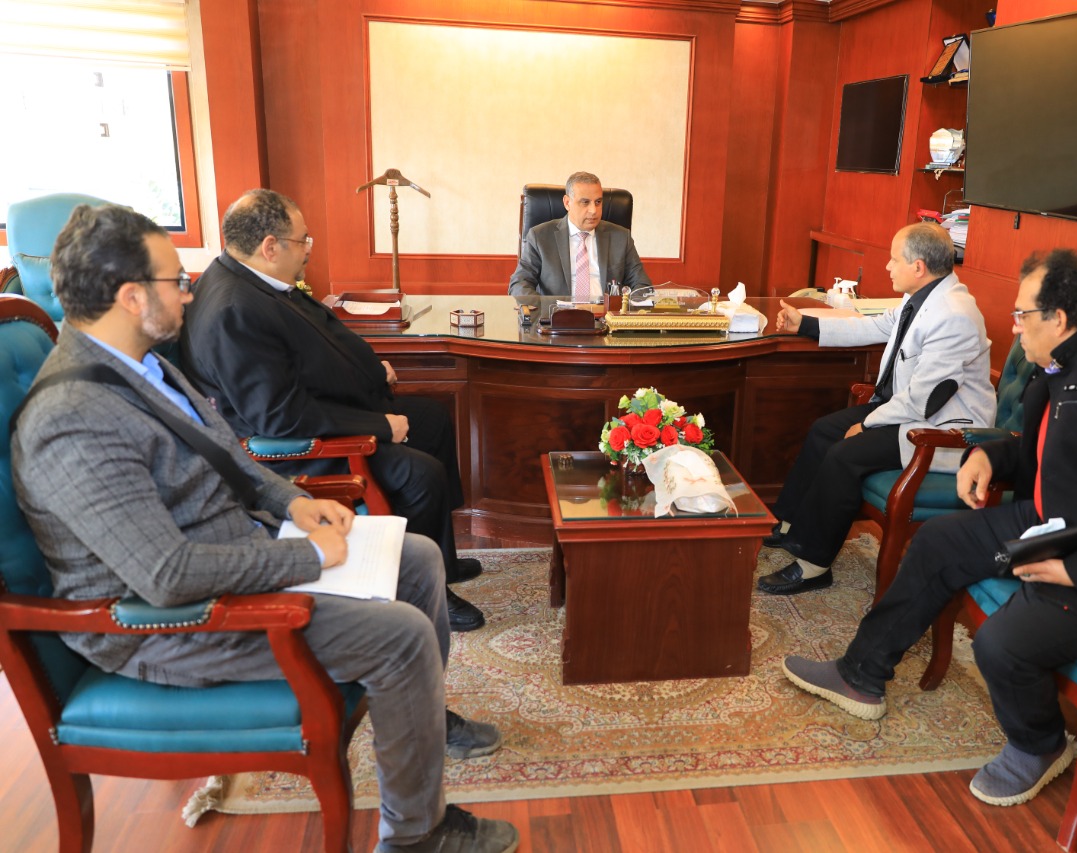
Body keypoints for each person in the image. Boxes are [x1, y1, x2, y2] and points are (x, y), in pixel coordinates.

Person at [10, 203, 518, 853]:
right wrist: (309, 558)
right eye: (176, 280)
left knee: (415, 558)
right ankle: (416, 837)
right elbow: (167, 576)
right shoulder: (73, 418)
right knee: (401, 635)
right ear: (132, 297)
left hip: (228, 558)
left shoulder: (142, 364)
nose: (188, 292)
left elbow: (233, 456)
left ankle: (420, 720)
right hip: (163, 627)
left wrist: (295, 504)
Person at [782, 249, 1077, 807]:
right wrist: (992, 456)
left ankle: (1040, 744)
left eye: (1022, 314)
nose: (1014, 326)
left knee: (1002, 644)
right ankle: (860, 675)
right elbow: (1052, 453)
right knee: (938, 542)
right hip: (1062, 521)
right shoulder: (1063, 366)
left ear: (1059, 318)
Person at [179, 189, 485, 632]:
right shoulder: (233, 310)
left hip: (325, 408)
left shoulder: (255, 280)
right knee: (422, 475)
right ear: (270, 246)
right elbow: (277, 416)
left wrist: (373, 372)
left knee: (432, 420)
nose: (309, 249)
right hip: (296, 449)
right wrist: (380, 425)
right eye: (303, 240)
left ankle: (441, 561)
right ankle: (417, 587)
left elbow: (312, 348)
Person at [757, 222, 996, 595]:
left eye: (893, 259)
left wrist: (868, 424)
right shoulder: (921, 297)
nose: (887, 266)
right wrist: (804, 324)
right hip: (904, 411)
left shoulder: (954, 315)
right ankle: (792, 525)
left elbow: (924, 399)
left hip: (941, 428)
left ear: (918, 266)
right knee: (823, 430)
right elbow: (873, 327)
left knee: (844, 455)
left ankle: (814, 565)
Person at [508, 171, 652, 298]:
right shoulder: (540, 236)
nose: (593, 210)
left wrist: (624, 310)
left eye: (598, 202)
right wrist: (543, 310)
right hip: (558, 316)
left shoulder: (621, 237)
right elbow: (519, 283)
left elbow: (643, 286)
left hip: (606, 317)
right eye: (585, 202)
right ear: (567, 203)